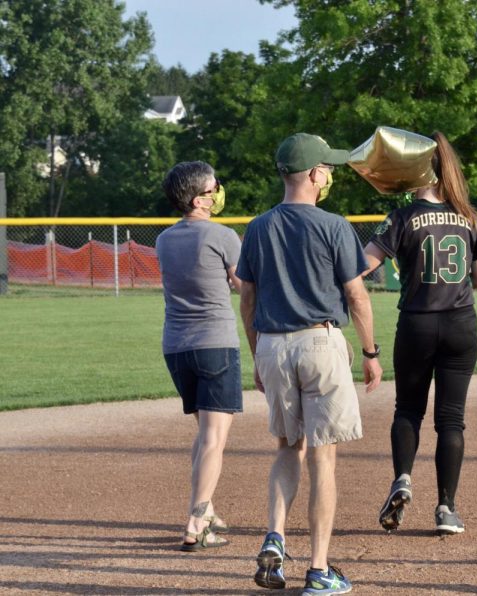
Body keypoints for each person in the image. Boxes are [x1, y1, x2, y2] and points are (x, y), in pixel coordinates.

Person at [237, 133, 382, 595]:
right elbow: (356, 295)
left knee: (286, 447)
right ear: (316, 174)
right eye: (329, 167)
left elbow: (248, 296)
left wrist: (257, 352)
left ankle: (275, 538)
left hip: (273, 345)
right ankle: (319, 571)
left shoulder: (258, 227)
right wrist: (371, 352)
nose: (331, 174)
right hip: (320, 343)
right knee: (324, 458)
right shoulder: (335, 225)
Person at [363, 132, 477, 535]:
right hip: (460, 325)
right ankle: (446, 508)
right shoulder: (469, 216)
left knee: (408, 410)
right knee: (451, 420)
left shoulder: (402, 218)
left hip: (418, 323)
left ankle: (402, 479)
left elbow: (363, 264)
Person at [157, 161, 243, 552]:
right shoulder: (223, 235)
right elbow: (244, 286)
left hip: (176, 346)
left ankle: (205, 510)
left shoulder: (164, 239)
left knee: (204, 435)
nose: (218, 192)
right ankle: (197, 520)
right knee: (214, 439)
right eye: (213, 188)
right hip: (215, 342)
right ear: (199, 200)